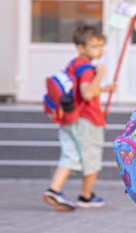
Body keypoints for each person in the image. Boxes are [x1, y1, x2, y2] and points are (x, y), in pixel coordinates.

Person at [42, 25, 117, 211]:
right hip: (88, 120)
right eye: (94, 46)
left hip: (71, 117)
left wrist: (104, 89)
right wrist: (100, 75)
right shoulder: (87, 69)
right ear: (81, 47)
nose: (99, 50)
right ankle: (86, 196)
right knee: (91, 158)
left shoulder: (74, 63)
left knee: (69, 155)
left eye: (101, 45)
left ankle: (54, 189)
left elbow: (80, 91)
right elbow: (86, 93)